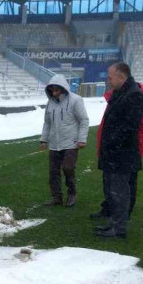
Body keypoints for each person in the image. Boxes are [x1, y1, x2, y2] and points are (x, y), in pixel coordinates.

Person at [94, 62, 143, 239]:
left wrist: (112, 143)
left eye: (110, 77)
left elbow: (129, 127)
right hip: (112, 153)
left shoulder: (134, 96)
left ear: (121, 77)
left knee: (120, 193)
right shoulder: (120, 93)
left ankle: (119, 228)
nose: (108, 80)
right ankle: (113, 224)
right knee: (112, 192)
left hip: (122, 154)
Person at [93, 78, 143, 220]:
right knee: (108, 181)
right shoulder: (116, 96)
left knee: (127, 183)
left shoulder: (140, 97)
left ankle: (123, 214)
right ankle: (109, 208)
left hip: (128, 149)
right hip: (111, 147)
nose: (109, 82)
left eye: (111, 78)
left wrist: (138, 147)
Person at [39, 74, 90, 207]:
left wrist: (82, 139)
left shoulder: (76, 100)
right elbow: (47, 123)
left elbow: (84, 120)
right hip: (54, 144)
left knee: (68, 168)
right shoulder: (50, 103)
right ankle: (56, 197)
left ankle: (72, 194)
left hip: (71, 142)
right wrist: (43, 139)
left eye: (56, 90)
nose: (54, 93)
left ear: (63, 89)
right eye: (52, 90)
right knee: (53, 172)